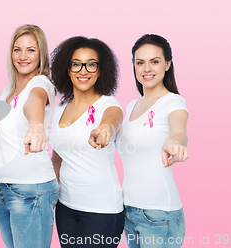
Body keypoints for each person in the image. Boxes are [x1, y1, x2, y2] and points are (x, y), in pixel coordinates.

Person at [49, 36, 124, 248]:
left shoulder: (107, 104)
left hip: (101, 211)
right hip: (65, 208)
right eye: (77, 64)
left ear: (100, 70)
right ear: (67, 69)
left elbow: (113, 118)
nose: (83, 71)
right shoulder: (59, 109)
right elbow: (57, 160)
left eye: (91, 64)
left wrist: (105, 128)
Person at [0, 24, 58, 248]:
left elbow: (34, 102)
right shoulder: (7, 91)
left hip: (30, 190)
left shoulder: (41, 84)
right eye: (17, 49)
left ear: (41, 54)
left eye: (31, 50)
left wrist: (36, 125)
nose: (23, 56)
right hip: (2, 188)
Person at [116, 34, 188, 248]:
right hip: (129, 210)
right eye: (140, 63)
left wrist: (175, 142)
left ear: (167, 64)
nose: (147, 69)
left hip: (159, 215)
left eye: (154, 61)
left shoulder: (173, 102)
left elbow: (179, 132)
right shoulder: (130, 106)